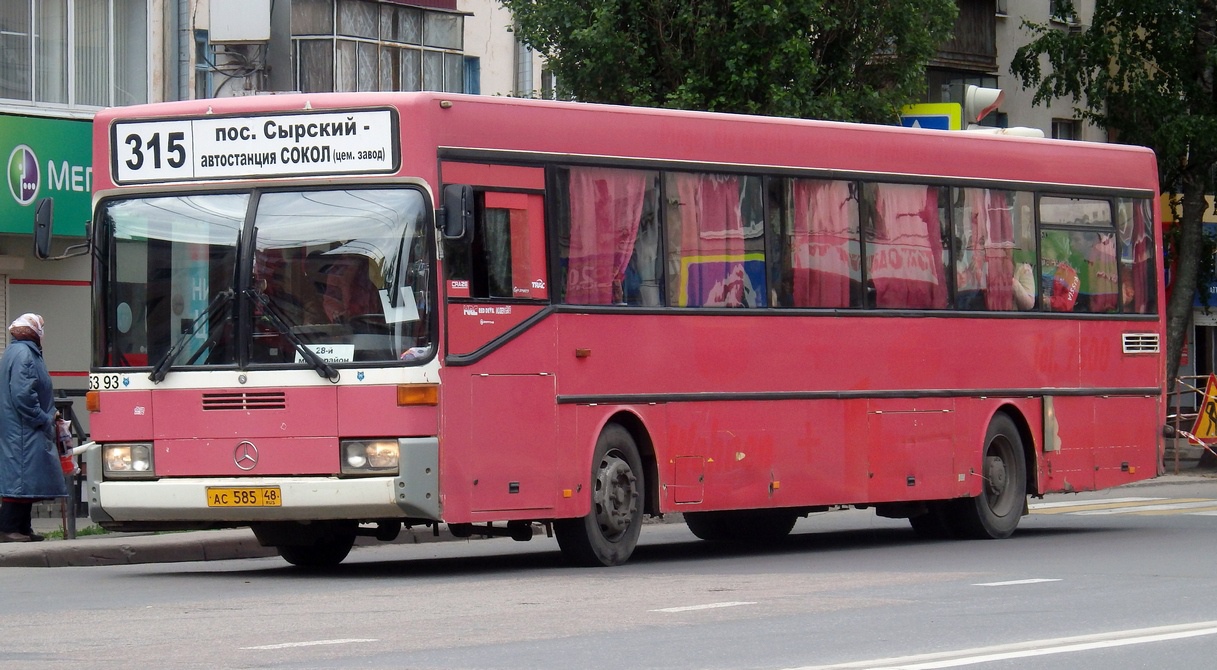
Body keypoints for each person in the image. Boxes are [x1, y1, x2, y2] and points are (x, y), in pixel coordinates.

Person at [0, 313, 67, 542]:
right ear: (34, 331)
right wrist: (43, 417)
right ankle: (9, 529)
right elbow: (23, 395)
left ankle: (22, 528)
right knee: (20, 477)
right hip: (24, 428)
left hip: (19, 427)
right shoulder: (25, 355)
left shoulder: (17, 352)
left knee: (24, 477)